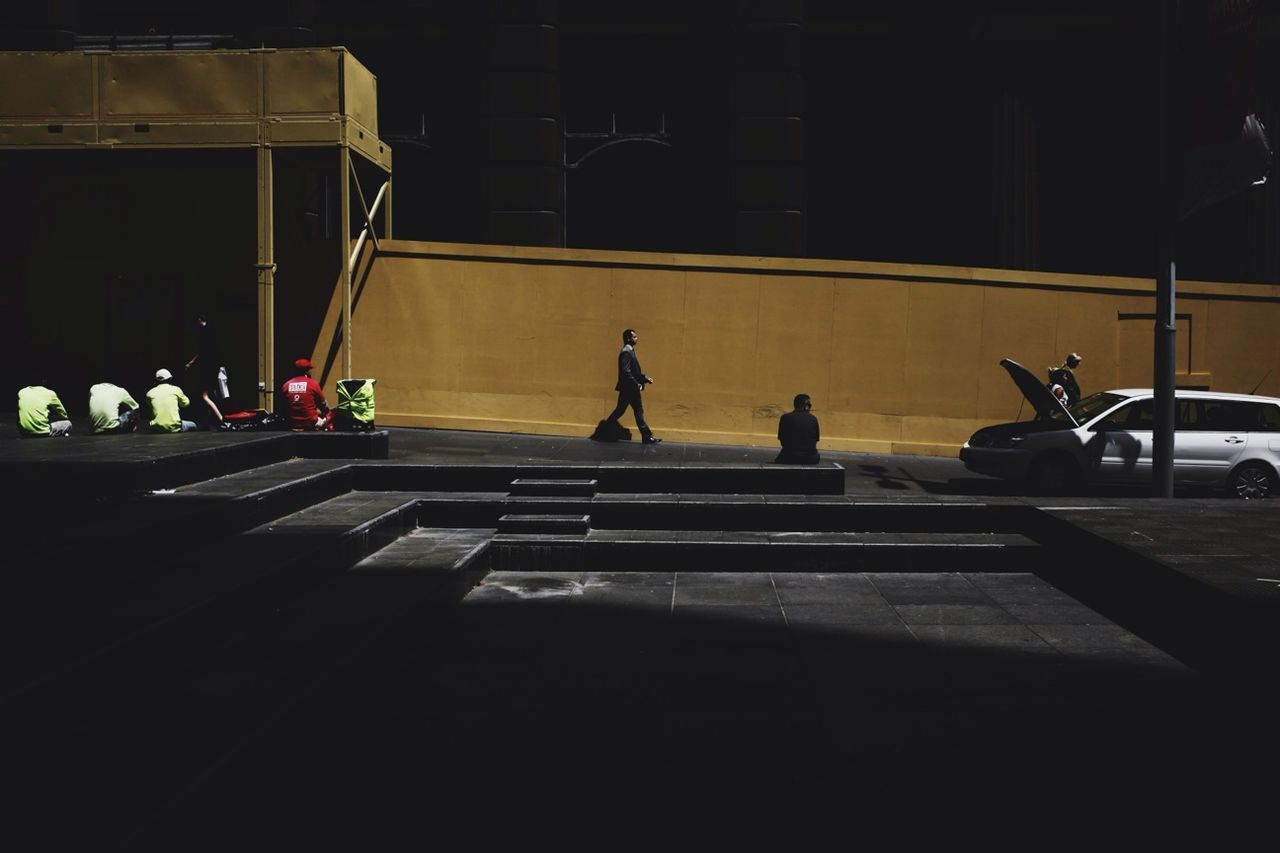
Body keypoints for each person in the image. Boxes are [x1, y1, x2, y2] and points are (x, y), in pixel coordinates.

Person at [603, 328, 661, 445]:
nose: (636, 338)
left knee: (621, 410)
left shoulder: (630, 351)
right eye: (634, 336)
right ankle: (646, 436)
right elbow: (626, 372)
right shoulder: (626, 352)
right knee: (637, 411)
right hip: (630, 388)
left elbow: (632, 372)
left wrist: (645, 378)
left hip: (628, 388)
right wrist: (637, 384)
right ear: (628, 338)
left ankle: (605, 430)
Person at [184, 313, 226, 428]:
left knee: (204, 396)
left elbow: (201, 352)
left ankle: (221, 419)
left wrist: (191, 363)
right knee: (211, 395)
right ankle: (211, 420)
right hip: (214, 368)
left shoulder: (204, 333)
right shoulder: (214, 333)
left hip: (207, 369)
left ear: (199, 320)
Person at [281, 358, 333, 431]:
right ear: (306, 371)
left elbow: (284, 406)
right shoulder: (313, 384)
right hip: (310, 423)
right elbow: (323, 404)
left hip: (292, 423)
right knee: (332, 413)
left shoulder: (286, 385)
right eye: (310, 369)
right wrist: (327, 413)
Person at [146, 368, 197, 433]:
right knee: (194, 425)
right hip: (174, 427)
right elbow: (186, 404)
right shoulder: (176, 389)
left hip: (156, 428)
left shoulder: (150, 393)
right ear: (170, 379)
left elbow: (149, 408)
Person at [775, 393, 821, 464]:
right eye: (809, 405)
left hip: (789, 457)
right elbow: (815, 441)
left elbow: (782, 440)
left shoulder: (785, 418)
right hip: (810, 458)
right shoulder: (813, 419)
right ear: (806, 406)